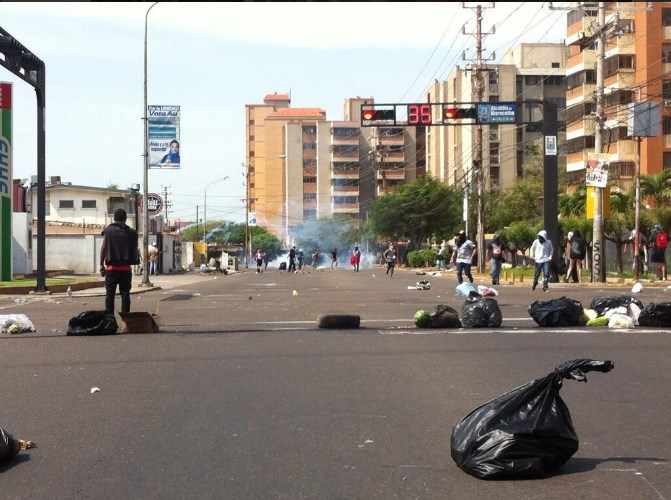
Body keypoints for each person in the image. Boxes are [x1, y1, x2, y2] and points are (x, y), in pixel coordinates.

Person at [99, 208, 140, 315]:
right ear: (125, 219)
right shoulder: (131, 232)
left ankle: (110, 318)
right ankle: (126, 320)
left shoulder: (108, 231)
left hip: (111, 269)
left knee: (110, 294)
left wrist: (101, 265)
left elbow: (103, 248)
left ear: (114, 218)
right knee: (125, 294)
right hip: (126, 269)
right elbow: (135, 249)